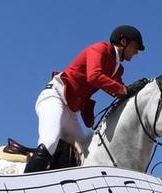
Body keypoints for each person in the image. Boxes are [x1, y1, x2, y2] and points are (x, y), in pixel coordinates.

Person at [24, 25, 145, 173]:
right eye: (135, 46)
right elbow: (94, 76)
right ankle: (20, 186)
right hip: (54, 97)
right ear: (123, 41)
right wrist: (124, 90)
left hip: (71, 111)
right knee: (49, 142)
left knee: (85, 154)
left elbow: (119, 90)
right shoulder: (101, 48)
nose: (137, 52)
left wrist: (137, 90)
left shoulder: (118, 68)